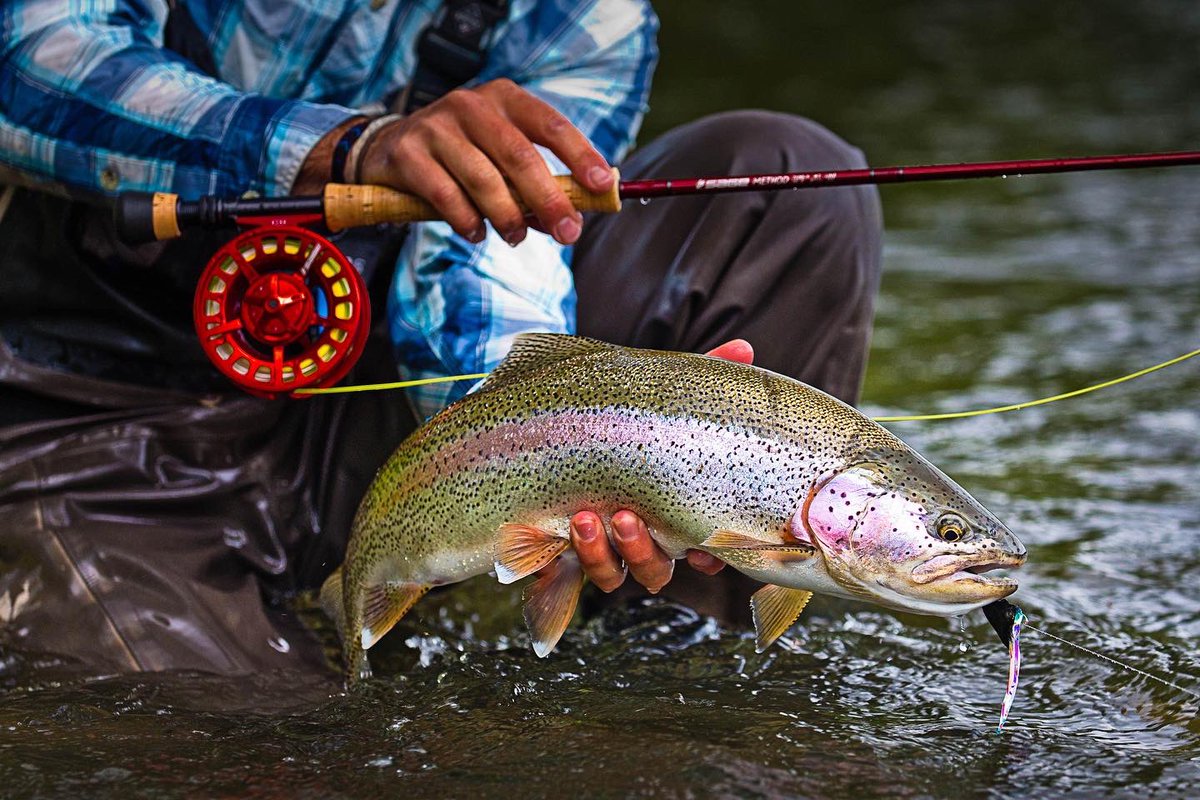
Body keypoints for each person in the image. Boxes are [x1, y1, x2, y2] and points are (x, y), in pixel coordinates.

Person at [0, 0, 881, 675]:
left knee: (792, 186)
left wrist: (543, 451)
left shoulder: (590, 16)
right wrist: (348, 151)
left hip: (383, 408)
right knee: (254, 742)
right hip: (89, 411)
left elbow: (513, 243)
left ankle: (658, 637)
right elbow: (27, 63)